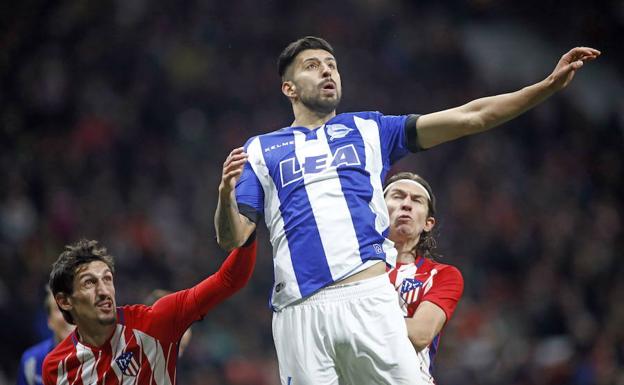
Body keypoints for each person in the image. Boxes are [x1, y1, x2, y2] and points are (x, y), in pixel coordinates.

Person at [214, 36, 599, 384]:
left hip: (368, 298)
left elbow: (471, 116)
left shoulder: (370, 129)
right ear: (289, 87)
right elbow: (234, 236)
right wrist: (224, 196)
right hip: (299, 311)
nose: (327, 70)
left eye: (332, 64)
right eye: (312, 65)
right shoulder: (260, 150)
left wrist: (545, 87)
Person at [41, 237, 256, 385]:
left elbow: (229, 279)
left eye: (107, 279)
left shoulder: (155, 322)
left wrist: (247, 229)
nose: (104, 290)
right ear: (65, 301)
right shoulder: (55, 367)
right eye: (89, 283)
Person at [384, 172, 463, 383]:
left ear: (428, 223)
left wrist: (353, 318)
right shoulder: (352, 266)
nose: (407, 204)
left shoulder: (443, 275)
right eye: (398, 196)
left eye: (417, 200)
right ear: (378, 210)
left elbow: (420, 334)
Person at [16, 288, 74, 385]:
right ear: (49, 320)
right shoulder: (32, 362)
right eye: (59, 308)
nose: (68, 315)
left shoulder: (103, 358)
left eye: (74, 306)